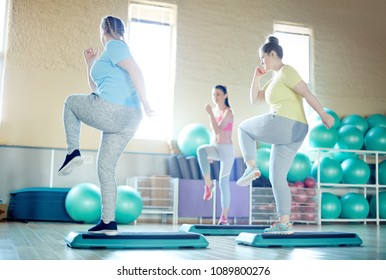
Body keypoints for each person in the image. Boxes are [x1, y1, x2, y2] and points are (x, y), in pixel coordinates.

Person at [58, 16, 154, 235]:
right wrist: (90, 63)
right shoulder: (108, 55)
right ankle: (109, 222)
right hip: (126, 119)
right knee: (105, 168)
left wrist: (147, 103)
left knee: (70, 102)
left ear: (103, 29)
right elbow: (95, 87)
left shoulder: (115, 46)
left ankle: (73, 151)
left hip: (115, 110)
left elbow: (136, 71)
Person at [237, 36, 335, 234]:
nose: (261, 63)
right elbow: (255, 99)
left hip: (285, 122)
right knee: (277, 177)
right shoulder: (275, 79)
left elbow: (306, 92)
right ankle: (285, 223)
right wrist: (257, 76)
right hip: (294, 132)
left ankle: (251, 167)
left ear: (272, 54)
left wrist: (323, 114)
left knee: (243, 128)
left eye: (262, 58)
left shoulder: (286, 71)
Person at [196, 85, 235, 225]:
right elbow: (214, 134)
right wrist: (210, 154)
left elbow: (218, 130)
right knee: (201, 150)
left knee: (223, 184)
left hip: (226, 151)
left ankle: (224, 217)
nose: (215, 97)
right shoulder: (214, 110)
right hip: (215, 147)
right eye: (213, 94)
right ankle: (208, 183)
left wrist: (210, 114)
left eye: (218, 94)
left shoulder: (228, 112)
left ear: (225, 95)